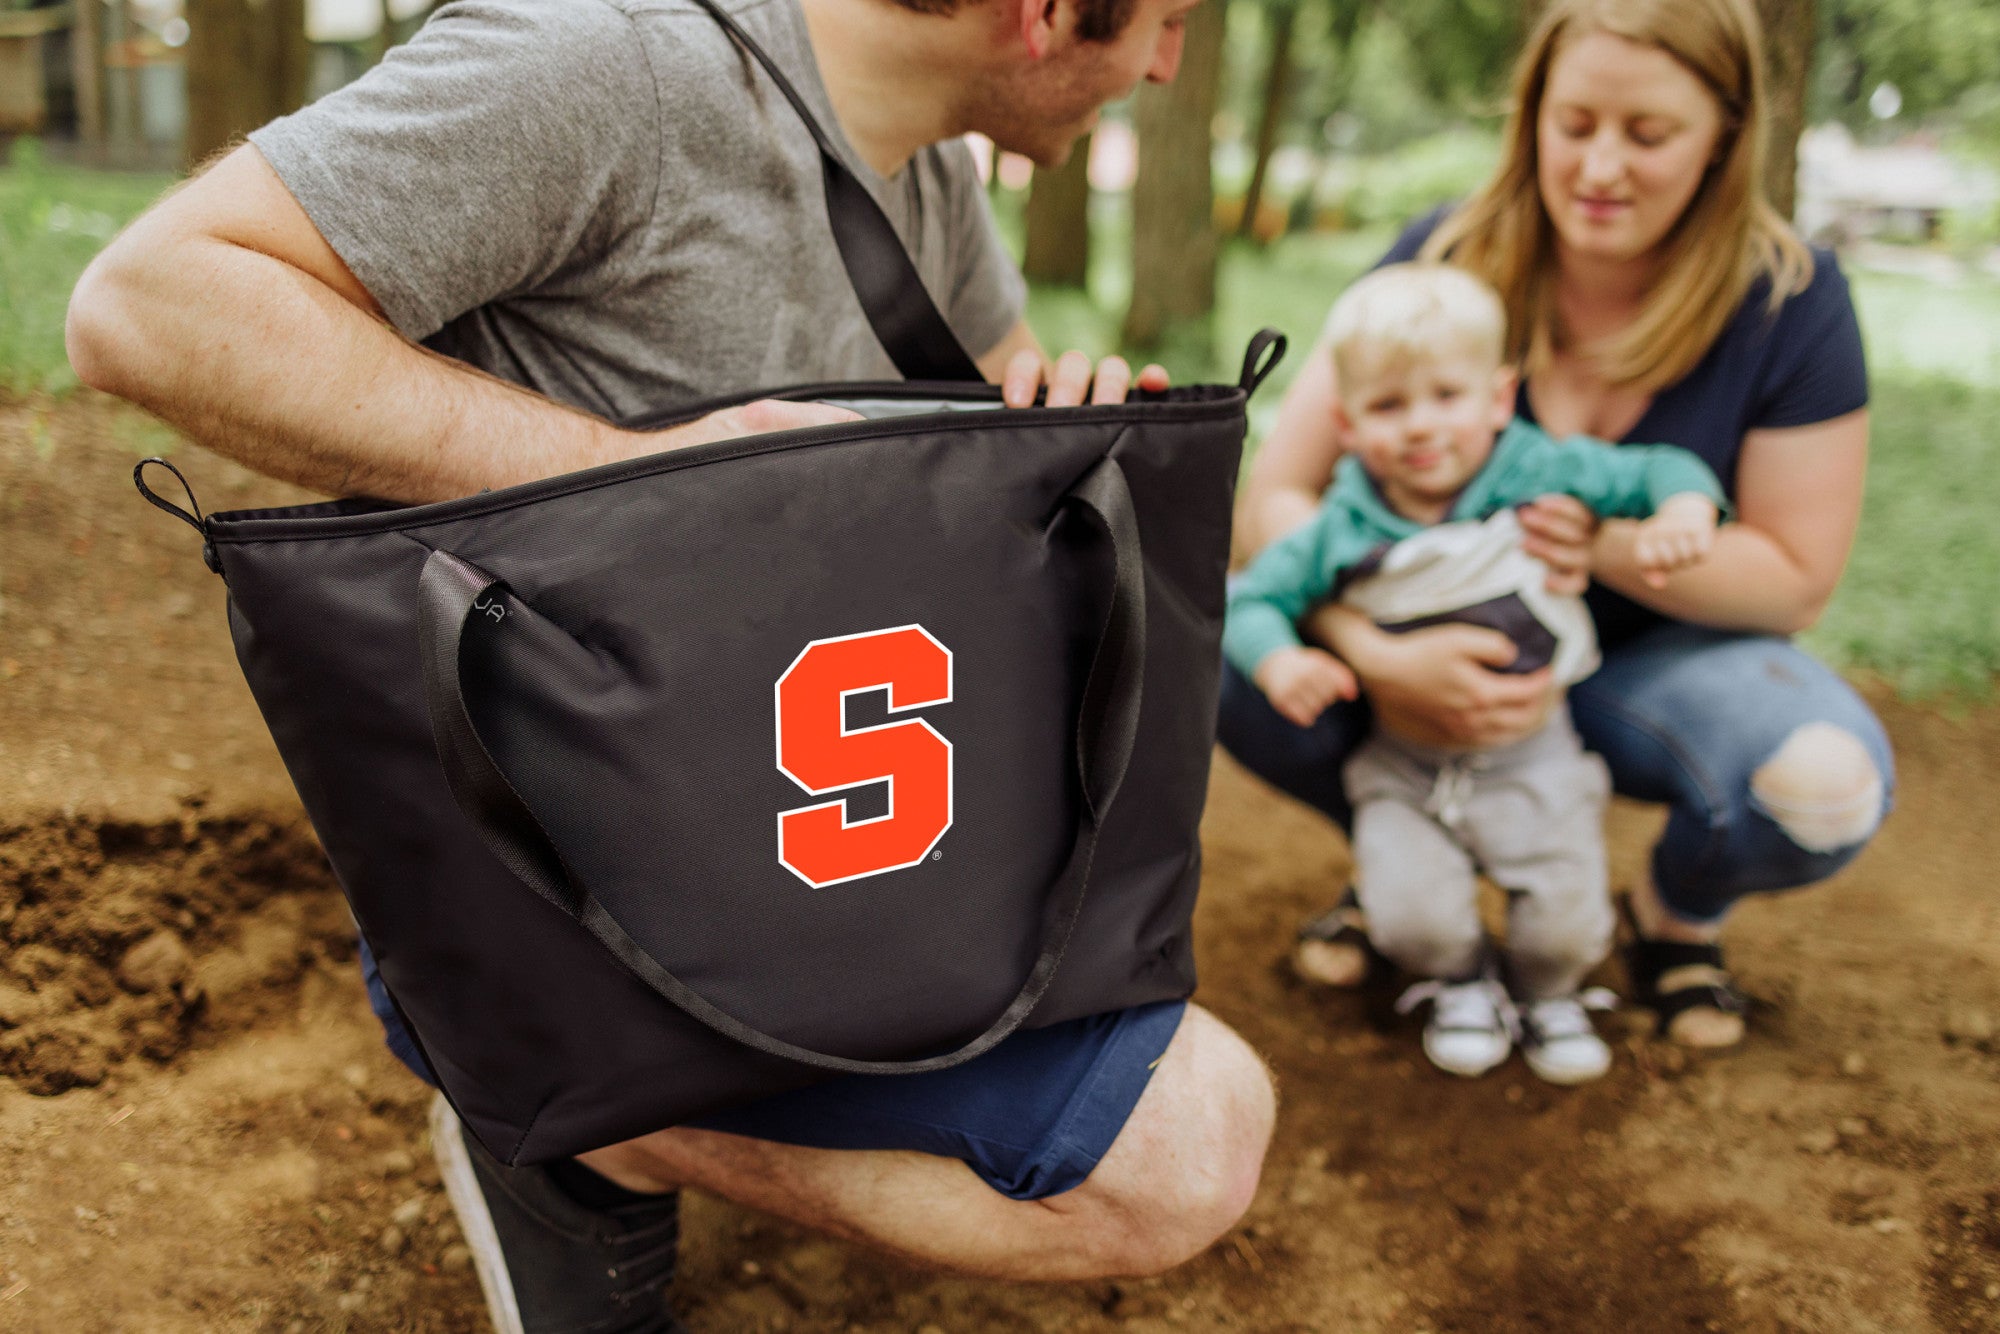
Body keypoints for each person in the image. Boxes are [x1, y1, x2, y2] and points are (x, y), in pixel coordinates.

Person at [64, 0, 1276, 1328]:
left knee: (1195, 1132)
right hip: (561, 881)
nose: (1169, 65)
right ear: (1042, 13)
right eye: (1163, 21)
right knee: (1178, 1153)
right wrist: (616, 476)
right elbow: (144, 305)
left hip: (815, 837)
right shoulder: (604, 59)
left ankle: (636, 1113)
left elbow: (961, 457)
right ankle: (583, 1121)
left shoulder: (929, 152)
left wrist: (1052, 428)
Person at [1219, 0, 1893, 1054]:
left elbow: (1792, 579)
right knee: (1221, 642)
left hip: (1651, 667)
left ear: (1724, 130)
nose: (1598, 167)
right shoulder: (1439, 254)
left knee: (1822, 783)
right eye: (1572, 123)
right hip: (1416, 661)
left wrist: (1600, 546)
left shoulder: (1789, 299)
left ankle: (1670, 916)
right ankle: (1408, 863)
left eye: (1647, 134)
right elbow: (1275, 501)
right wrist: (1374, 646)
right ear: (1530, 111)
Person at [1225, 261, 1724, 1084]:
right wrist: (1279, 660)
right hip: (1404, 764)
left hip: (1537, 755)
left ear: (1498, 398)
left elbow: (1659, 467)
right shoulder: (1345, 522)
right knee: (1411, 916)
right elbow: (1254, 600)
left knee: (1565, 920)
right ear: (1346, 425)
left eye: (1446, 397)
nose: (1421, 427)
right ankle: (1456, 982)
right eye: (1389, 406)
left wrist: (1683, 511)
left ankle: (1549, 992)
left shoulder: (1536, 471)